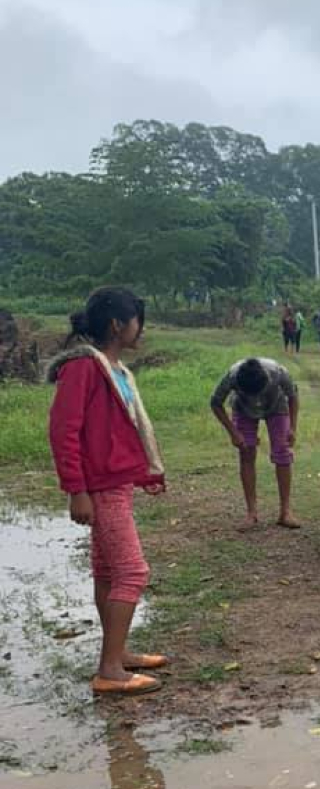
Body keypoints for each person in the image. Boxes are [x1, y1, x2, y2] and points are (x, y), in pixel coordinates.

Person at [48, 285, 167, 697]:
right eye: (138, 322)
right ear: (118, 325)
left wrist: (143, 472)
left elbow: (121, 428)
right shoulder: (84, 368)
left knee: (108, 570)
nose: (141, 330)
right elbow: (64, 431)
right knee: (134, 571)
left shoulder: (114, 369)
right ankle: (110, 669)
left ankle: (117, 653)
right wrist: (75, 489)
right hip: (101, 487)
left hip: (115, 482)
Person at [210, 356, 301, 530]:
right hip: (243, 410)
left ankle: (285, 512)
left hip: (276, 407)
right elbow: (215, 403)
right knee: (246, 453)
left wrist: (292, 428)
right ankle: (251, 513)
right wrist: (233, 433)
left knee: (282, 453)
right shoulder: (232, 376)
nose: (256, 399)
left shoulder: (279, 372)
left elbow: (293, 396)